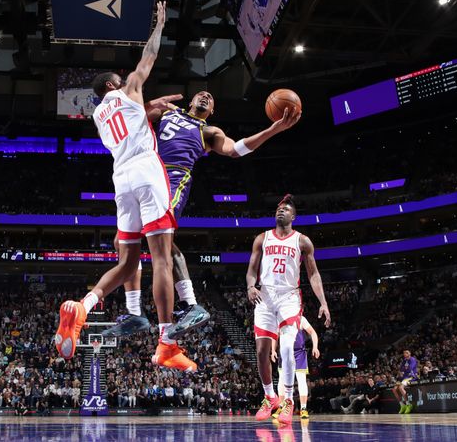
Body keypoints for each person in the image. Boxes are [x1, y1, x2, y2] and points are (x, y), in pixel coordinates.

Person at [54, 2, 195, 372]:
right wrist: (160, 25)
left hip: (121, 179)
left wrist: (149, 107)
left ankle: (82, 307)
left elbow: (136, 117)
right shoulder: (129, 87)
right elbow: (147, 59)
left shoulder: (99, 116)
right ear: (115, 84)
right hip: (148, 171)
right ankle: (167, 341)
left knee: (128, 260)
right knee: (161, 258)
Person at [104, 90, 300, 339]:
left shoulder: (210, 132)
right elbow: (130, 119)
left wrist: (274, 129)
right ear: (191, 101)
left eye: (211, 96)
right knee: (127, 243)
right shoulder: (168, 111)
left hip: (172, 182)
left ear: (212, 110)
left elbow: (236, 149)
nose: (206, 95)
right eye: (201, 93)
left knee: (156, 243)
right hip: (145, 175)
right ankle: (160, 308)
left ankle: (175, 307)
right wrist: (151, 103)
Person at [246, 195, 331, 425]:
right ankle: (269, 397)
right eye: (278, 209)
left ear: (293, 216)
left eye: (285, 209)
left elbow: (313, 274)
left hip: (289, 297)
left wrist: (323, 302)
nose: (280, 211)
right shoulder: (261, 238)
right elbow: (251, 269)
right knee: (262, 351)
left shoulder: (302, 241)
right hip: (265, 295)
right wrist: (250, 286)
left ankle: (289, 401)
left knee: (286, 348)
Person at [271, 314, 320, 419]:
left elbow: (313, 332)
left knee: (301, 380)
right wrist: (273, 350)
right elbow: (275, 336)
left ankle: (303, 408)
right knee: (281, 380)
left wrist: (315, 347)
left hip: (299, 354)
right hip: (284, 352)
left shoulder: (301, 319)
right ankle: (282, 406)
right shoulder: (281, 318)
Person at [392, 349, 418, 413]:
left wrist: (405, 369)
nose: (405, 354)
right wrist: (403, 369)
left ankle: (408, 404)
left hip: (411, 377)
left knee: (401, 387)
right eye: (404, 353)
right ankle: (402, 405)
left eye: (406, 353)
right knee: (394, 389)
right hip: (404, 377)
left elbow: (410, 368)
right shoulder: (404, 361)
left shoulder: (412, 359)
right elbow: (401, 369)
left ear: (409, 354)